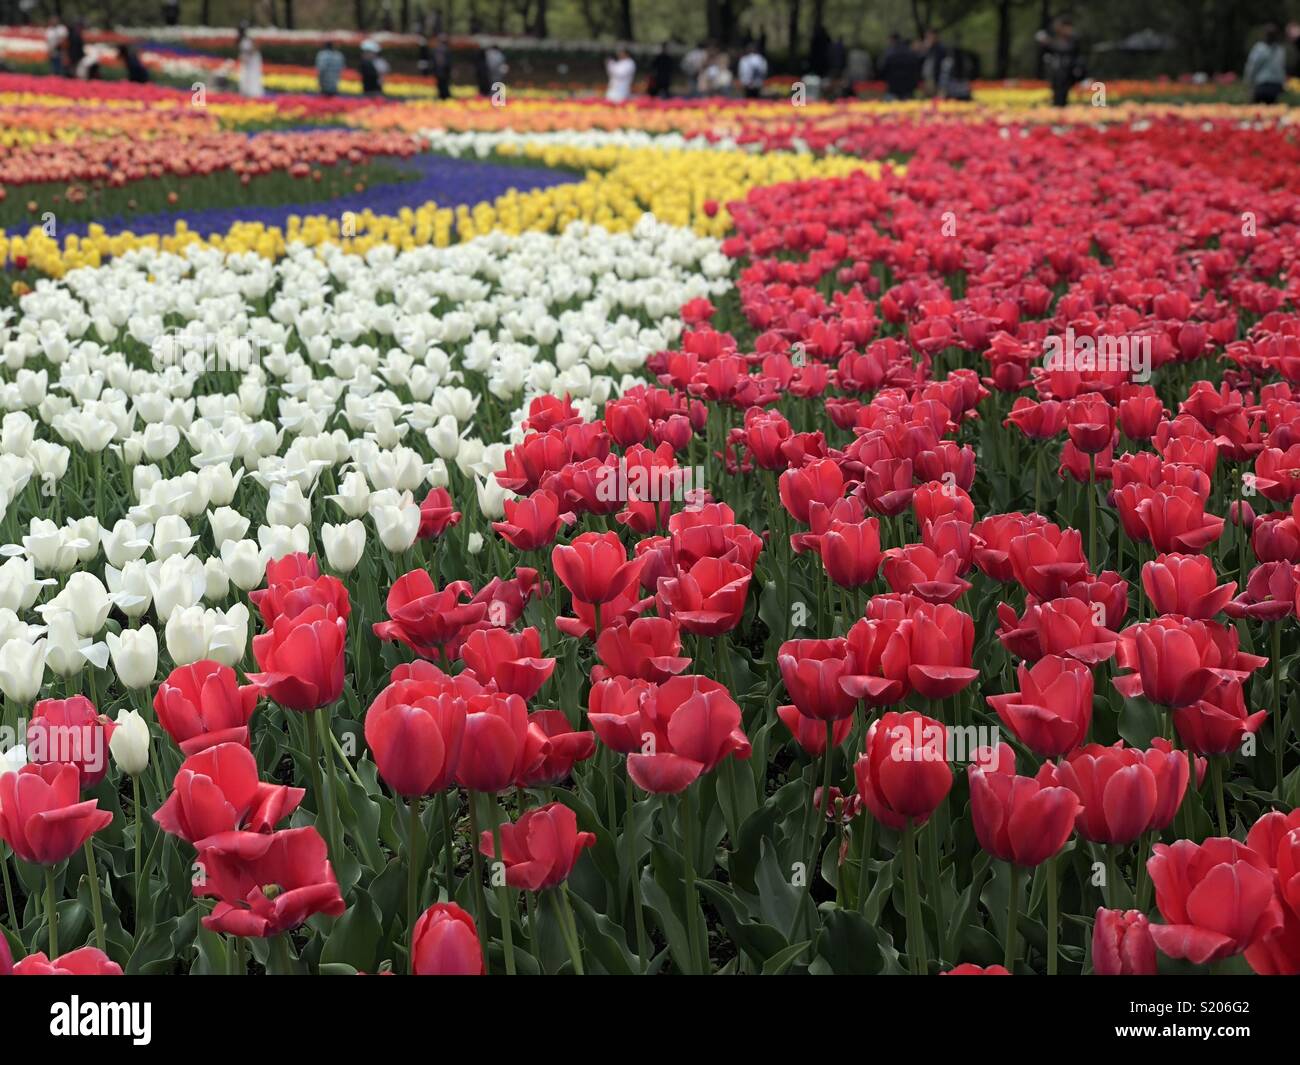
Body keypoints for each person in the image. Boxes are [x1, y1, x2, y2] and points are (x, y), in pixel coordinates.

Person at [1035, 17, 1084, 107]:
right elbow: (1048, 52)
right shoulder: (1056, 40)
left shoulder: (1073, 41)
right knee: (1057, 95)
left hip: (1068, 72)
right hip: (1057, 73)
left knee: (1064, 95)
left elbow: (1068, 51)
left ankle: (1061, 109)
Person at [1244, 24, 1288, 105]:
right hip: (1273, 86)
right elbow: (1282, 69)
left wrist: (1249, 83)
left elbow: (1252, 67)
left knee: (1258, 112)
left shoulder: (1259, 49)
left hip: (1263, 85)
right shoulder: (1279, 50)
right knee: (1271, 112)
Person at [879, 32, 922, 101]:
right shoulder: (910, 53)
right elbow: (916, 70)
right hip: (908, 88)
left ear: (892, 40)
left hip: (893, 87)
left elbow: (882, 69)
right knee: (907, 108)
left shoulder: (889, 53)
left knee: (892, 108)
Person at [237, 24, 264, 98]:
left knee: (253, 75)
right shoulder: (243, 40)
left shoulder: (248, 39)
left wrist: (247, 55)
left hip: (253, 61)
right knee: (245, 75)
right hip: (248, 60)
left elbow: (254, 49)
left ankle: (253, 92)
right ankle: (246, 91)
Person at [431, 33, 452, 100]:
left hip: (441, 71)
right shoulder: (445, 49)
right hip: (442, 71)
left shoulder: (437, 49)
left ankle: (443, 96)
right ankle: (444, 97)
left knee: (442, 85)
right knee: (443, 85)